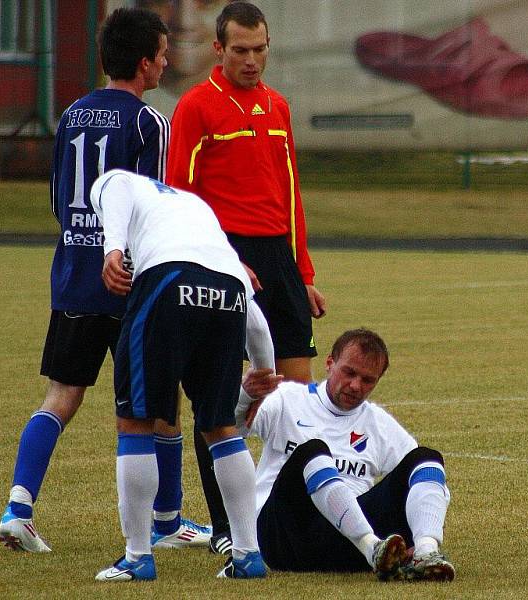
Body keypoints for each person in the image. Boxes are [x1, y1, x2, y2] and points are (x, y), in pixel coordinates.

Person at [0, 7, 209, 553]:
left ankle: (18, 507)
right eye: (162, 54)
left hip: (73, 279)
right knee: (160, 401)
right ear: (144, 63)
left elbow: (57, 203)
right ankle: (166, 521)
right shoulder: (147, 123)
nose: (166, 62)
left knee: (61, 396)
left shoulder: (71, 114)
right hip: (129, 285)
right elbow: (151, 208)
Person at [166, 0, 327, 551]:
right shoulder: (196, 107)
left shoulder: (277, 106)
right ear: (219, 49)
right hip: (224, 259)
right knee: (222, 398)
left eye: (260, 50)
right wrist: (210, 263)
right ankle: (224, 527)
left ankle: (290, 516)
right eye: (241, 50)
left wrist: (302, 272)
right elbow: (180, 199)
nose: (252, 60)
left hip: (278, 263)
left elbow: (291, 195)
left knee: (298, 401)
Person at [90, 169, 277, 581]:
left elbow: (115, 187)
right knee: (221, 427)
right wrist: (266, 374)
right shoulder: (197, 208)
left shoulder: (117, 182)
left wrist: (112, 248)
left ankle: (138, 556)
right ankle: (248, 554)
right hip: (228, 292)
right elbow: (255, 318)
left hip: (168, 280)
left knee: (135, 421)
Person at [237, 328, 456, 582]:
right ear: (330, 363)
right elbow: (234, 429)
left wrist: (421, 535)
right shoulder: (287, 399)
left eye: (367, 380)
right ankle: (371, 548)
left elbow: (433, 487)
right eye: (349, 373)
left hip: (345, 546)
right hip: (285, 539)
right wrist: (246, 395)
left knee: (426, 459)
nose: (355, 386)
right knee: (312, 451)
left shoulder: (379, 424)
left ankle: (426, 555)